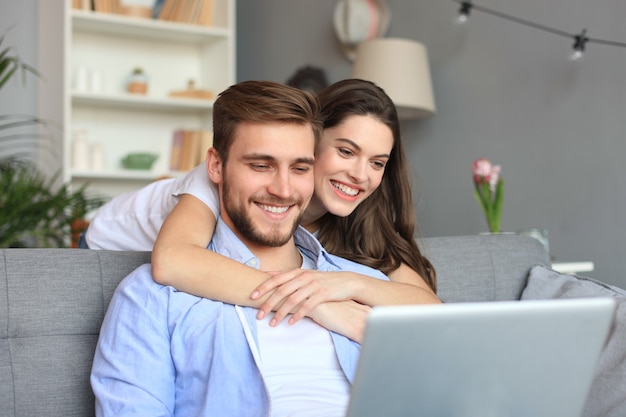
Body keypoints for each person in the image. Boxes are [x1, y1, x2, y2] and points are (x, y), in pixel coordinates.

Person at [91, 80, 389, 416]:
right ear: (216, 166)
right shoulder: (152, 297)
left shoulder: (364, 285)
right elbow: (171, 260)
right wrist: (311, 303)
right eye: (261, 166)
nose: (283, 188)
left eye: (300, 168)